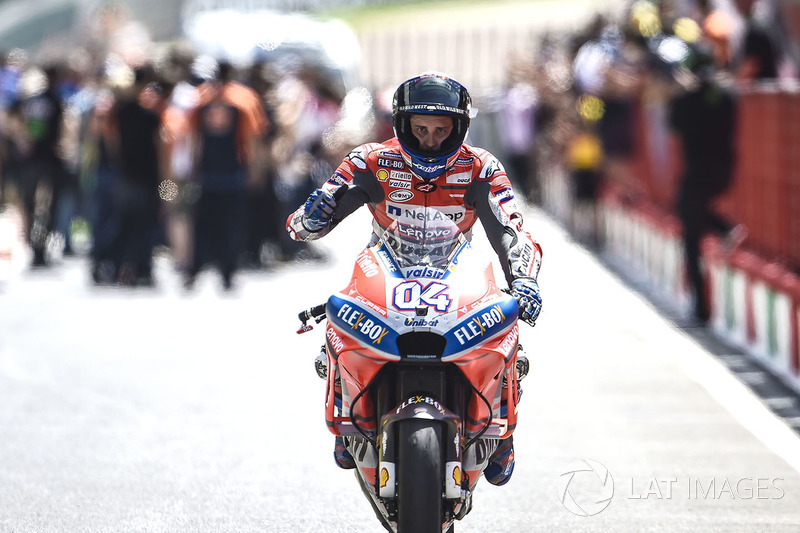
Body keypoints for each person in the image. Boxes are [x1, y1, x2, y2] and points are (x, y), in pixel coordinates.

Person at [286, 73, 543, 486]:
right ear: (402, 124)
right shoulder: (368, 160)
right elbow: (304, 228)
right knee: (340, 313)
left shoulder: (481, 167)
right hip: (386, 264)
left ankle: (501, 431)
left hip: (457, 267)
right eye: (420, 129)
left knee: (506, 323)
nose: (429, 140)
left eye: (442, 130)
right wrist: (313, 215)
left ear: (459, 127)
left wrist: (526, 282)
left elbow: (512, 229)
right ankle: (349, 407)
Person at [668, 46, 744, 325]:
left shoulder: (684, 100)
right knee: (692, 218)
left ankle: (700, 307)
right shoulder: (727, 96)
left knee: (690, 238)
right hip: (722, 173)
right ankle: (725, 228)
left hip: (696, 175)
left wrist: (683, 89)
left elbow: (674, 126)